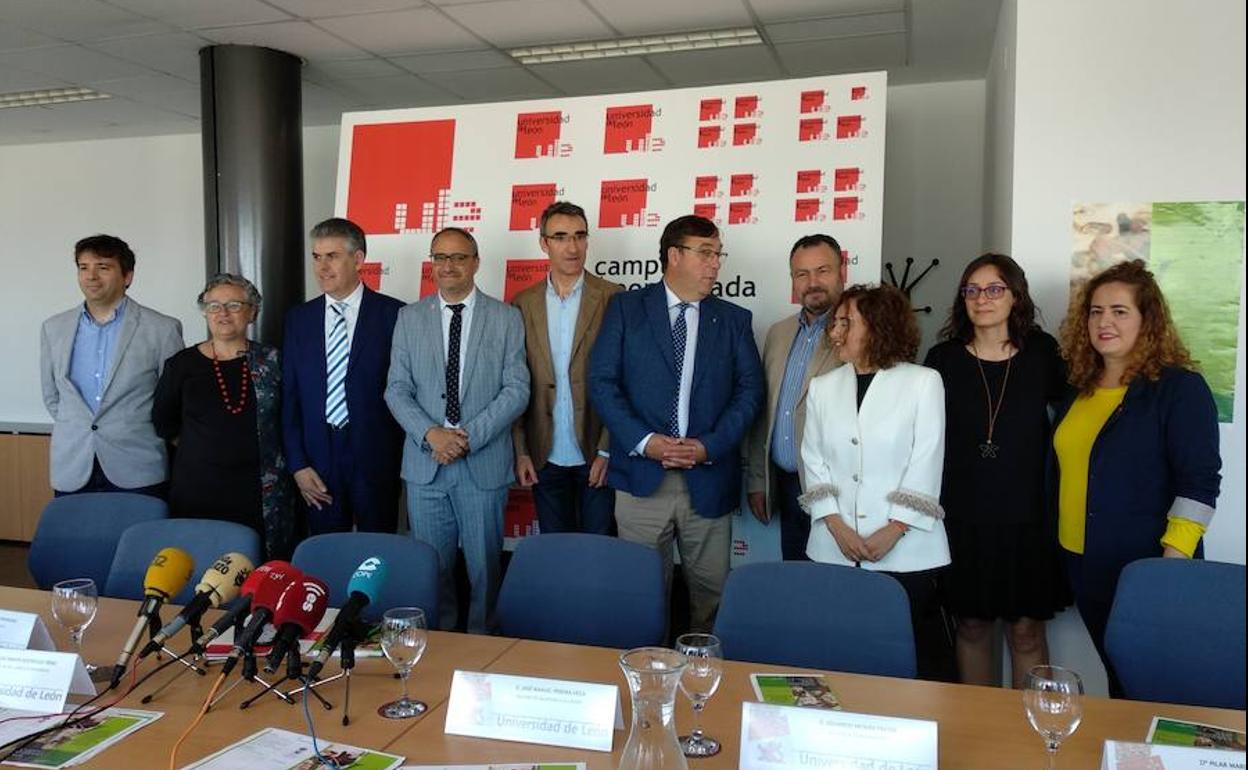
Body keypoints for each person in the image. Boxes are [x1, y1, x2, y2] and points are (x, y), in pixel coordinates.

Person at [589, 214, 763, 633]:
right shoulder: (627, 309)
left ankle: (705, 683)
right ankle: (648, 678)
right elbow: (602, 382)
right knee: (641, 594)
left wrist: (710, 446)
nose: (715, 264)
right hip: (641, 478)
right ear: (674, 256)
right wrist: (644, 441)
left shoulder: (734, 319)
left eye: (717, 254)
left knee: (712, 597)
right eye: (705, 253)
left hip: (708, 478)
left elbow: (749, 393)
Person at [1054, 259, 1220, 696]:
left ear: (1148, 321)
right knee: (1118, 678)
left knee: (1153, 684)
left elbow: (1199, 484)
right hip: (1083, 562)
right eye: (1095, 311)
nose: (1104, 321)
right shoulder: (1079, 389)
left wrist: (1170, 568)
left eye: (1119, 311)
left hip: (1149, 566)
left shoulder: (1179, 389)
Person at [924, 254, 1069, 688]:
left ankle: (1029, 736)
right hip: (964, 517)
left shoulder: (1042, 353)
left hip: (1028, 519)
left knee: (1026, 631)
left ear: (1016, 295)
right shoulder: (943, 359)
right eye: (972, 290)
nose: (981, 299)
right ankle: (977, 736)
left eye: (994, 289)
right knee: (971, 626)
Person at [800, 284, 954, 681]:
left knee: (911, 661)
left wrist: (895, 528)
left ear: (878, 326)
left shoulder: (923, 382)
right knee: (839, 657)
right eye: (835, 323)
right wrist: (834, 523)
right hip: (833, 548)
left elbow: (927, 458)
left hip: (907, 553)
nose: (835, 333)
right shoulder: (823, 386)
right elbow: (813, 459)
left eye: (846, 323)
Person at [385, 227, 529, 634]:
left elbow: (516, 389)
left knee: (485, 569)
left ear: (476, 263)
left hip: (480, 462)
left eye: (459, 257)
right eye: (440, 257)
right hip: (425, 463)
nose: (448, 266)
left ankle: (482, 645)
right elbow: (396, 389)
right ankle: (441, 644)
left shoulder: (505, 317)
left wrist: (466, 438)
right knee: (434, 568)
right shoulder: (409, 318)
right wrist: (432, 434)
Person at [152, 274, 296, 559]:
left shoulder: (273, 361)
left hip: (261, 490)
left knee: (259, 568)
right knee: (198, 564)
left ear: (253, 311)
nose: (223, 313)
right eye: (214, 306)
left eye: (233, 304)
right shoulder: (182, 364)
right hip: (198, 486)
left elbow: (290, 420)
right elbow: (163, 420)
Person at [282, 218, 405, 535]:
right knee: (324, 556)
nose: (322, 267)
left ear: (359, 259)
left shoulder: (396, 315)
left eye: (332, 256)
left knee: (377, 555)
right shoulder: (299, 319)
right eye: (316, 257)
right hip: (318, 460)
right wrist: (297, 464)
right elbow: (290, 398)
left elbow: (406, 392)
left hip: (376, 456)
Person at [40, 235, 183, 497]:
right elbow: (53, 396)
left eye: (103, 267)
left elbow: (174, 401)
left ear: (127, 276)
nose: (91, 276)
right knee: (77, 538)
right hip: (73, 465)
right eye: (84, 267)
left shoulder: (162, 328)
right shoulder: (54, 328)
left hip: (137, 465)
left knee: (139, 539)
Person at [512, 201, 622, 535]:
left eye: (579, 236)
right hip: (544, 453)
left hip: (595, 452)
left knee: (599, 556)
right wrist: (521, 451)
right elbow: (516, 381)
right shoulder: (522, 302)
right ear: (544, 243)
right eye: (560, 237)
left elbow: (623, 381)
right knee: (554, 554)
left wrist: (607, 448)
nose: (572, 247)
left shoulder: (613, 297)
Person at [746, 234, 844, 560]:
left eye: (822, 271)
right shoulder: (779, 332)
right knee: (797, 580)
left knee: (836, 585)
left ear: (842, 271)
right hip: (787, 486)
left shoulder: (860, 331)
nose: (812, 282)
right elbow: (765, 411)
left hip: (839, 490)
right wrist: (758, 479)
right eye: (802, 274)